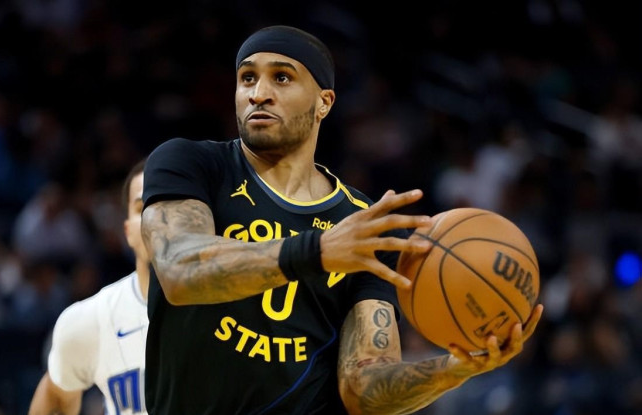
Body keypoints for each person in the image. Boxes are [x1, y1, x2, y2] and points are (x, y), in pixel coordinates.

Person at [141, 25, 543, 415]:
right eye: (247, 78)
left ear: (324, 102)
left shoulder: (363, 225)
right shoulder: (192, 163)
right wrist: (318, 251)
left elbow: (363, 390)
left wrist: (453, 370)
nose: (258, 93)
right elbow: (179, 269)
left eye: (282, 78)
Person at [28, 160, 150, 415]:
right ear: (127, 230)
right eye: (142, 207)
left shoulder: (229, 309)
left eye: (168, 205)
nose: (155, 217)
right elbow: (55, 396)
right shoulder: (93, 318)